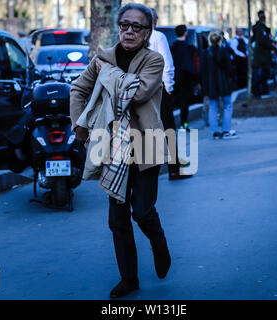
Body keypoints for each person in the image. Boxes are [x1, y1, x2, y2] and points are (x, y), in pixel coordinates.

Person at [70, 3, 171, 298]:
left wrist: (109, 74)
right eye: (124, 25)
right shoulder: (102, 57)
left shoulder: (153, 61)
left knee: (142, 211)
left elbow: (136, 92)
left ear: (147, 32)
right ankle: (129, 278)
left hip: (146, 143)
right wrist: (81, 128)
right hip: (111, 144)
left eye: (136, 27)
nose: (129, 31)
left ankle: (158, 240)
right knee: (117, 217)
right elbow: (78, 89)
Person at [148, 8, 192, 181]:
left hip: (141, 90)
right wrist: (169, 86)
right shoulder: (158, 37)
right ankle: (174, 169)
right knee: (168, 128)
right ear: (155, 21)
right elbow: (167, 64)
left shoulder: (137, 38)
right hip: (159, 89)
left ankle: (150, 168)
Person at [200, 31, 238, 140]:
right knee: (228, 106)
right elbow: (230, 68)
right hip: (223, 83)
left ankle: (215, 132)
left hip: (211, 84)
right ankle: (226, 130)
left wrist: (204, 86)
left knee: (213, 107)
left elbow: (203, 71)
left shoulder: (205, 53)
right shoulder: (223, 51)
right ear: (220, 40)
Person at [171, 24, 197, 130]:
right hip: (186, 78)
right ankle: (184, 124)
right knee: (184, 103)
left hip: (174, 77)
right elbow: (193, 64)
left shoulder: (172, 47)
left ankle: (171, 125)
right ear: (185, 33)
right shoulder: (189, 48)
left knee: (172, 102)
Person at [252, 10, 276, 98]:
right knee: (264, 74)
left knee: (265, 74)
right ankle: (255, 88)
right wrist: (272, 46)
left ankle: (261, 90)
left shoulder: (262, 28)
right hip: (262, 55)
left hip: (264, 55)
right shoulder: (259, 28)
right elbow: (263, 40)